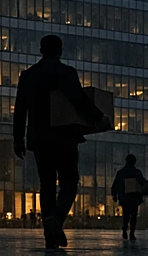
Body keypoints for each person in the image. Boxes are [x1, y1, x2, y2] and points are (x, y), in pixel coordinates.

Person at [12, 34, 105, 251]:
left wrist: (18, 140)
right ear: (60, 50)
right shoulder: (66, 73)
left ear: (41, 50)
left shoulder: (28, 75)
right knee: (69, 182)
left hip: (38, 138)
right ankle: (56, 218)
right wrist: (99, 117)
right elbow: (78, 99)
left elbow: (20, 110)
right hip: (64, 136)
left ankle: (50, 237)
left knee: (46, 185)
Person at [110, 154, 147, 240]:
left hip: (124, 197)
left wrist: (114, 195)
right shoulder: (137, 172)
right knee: (133, 215)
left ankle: (125, 228)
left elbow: (115, 185)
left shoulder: (121, 172)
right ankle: (131, 233)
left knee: (126, 214)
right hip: (134, 197)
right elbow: (142, 182)